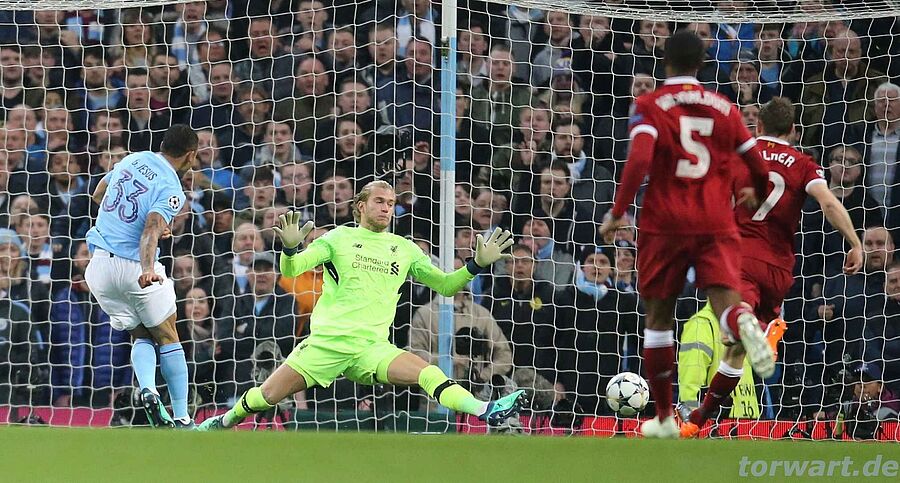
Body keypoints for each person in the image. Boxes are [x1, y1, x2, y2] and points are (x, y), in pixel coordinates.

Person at [198, 180, 525, 430]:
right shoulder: (337, 238)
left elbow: (446, 285)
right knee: (266, 396)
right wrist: (290, 249)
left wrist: (475, 265)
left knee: (428, 372)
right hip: (327, 345)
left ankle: (486, 410)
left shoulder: (404, 249)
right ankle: (222, 421)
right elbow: (292, 270)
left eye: (391, 203)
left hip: (372, 348)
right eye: (379, 201)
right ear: (360, 206)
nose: (386, 208)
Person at [598, 31, 773, 438]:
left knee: (659, 318)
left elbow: (639, 158)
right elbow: (756, 162)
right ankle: (744, 321)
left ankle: (663, 418)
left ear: (665, 60)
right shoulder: (725, 108)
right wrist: (758, 192)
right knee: (726, 303)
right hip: (716, 220)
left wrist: (618, 212)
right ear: (702, 62)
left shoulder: (650, 104)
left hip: (665, 222)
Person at [680, 98, 864, 437]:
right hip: (779, 268)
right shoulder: (804, 164)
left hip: (740, 257)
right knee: (736, 352)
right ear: (793, 130)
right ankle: (698, 419)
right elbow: (828, 203)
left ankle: (748, 325)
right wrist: (855, 242)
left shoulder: (739, 156)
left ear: (759, 126)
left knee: (733, 327)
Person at [83, 124, 197, 428]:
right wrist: (147, 268)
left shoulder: (134, 159)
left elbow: (98, 194)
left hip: (99, 268)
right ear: (190, 155)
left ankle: (147, 389)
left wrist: (128, 219)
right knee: (168, 334)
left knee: (140, 334)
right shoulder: (171, 188)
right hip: (134, 266)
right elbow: (150, 229)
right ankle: (182, 416)